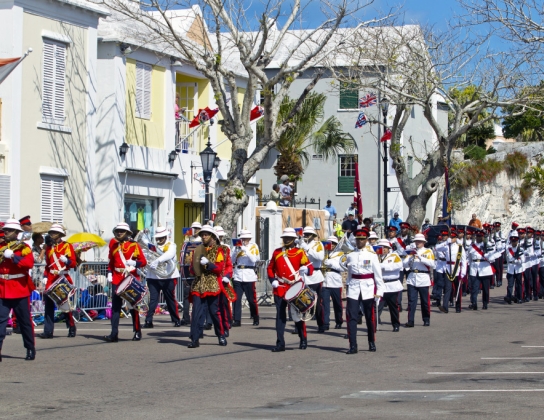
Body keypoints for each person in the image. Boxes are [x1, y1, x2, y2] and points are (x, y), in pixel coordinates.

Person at [267, 227, 314, 352]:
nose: (286, 239)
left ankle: (303, 338)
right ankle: (280, 343)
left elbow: (310, 268)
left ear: (294, 239)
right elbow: (270, 268)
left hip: (295, 287)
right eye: (285, 238)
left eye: (289, 238)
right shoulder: (277, 252)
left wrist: (306, 270)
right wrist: (273, 281)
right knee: (280, 315)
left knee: (296, 315)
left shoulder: (300, 252)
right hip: (280, 287)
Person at [341, 228, 384, 354]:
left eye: (362, 239)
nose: (360, 242)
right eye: (358, 239)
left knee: (370, 318)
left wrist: (379, 292)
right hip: (353, 289)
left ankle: (371, 341)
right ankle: (353, 345)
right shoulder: (350, 256)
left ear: (366, 240)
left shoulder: (371, 256)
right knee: (351, 317)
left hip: (368, 289)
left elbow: (378, 276)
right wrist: (348, 287)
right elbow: (349, 274)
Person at [104, 223, 147, 342]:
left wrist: (135, 264)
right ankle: (114, 334)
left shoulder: (134, 245)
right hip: (117, 277)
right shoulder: (113, 244)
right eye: (117, 231)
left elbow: (143, 262)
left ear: (127, 233)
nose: (119, 233)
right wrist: (109, 272)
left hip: (130, 277)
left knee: (133, 306)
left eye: (122, 231)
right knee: (115, 307)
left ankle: (137, 331)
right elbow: (111, 261)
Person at [0, 219, 36, 361]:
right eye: (5, 230)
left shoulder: (23, 247)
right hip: (2, 288)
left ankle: (30, 348)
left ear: (16, 233)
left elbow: (29, 263)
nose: (6, 232)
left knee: (24, 321)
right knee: (0, 321)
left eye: (9, 230)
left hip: (19, 289)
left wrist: (14, 256)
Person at [188, 226, 228, 348]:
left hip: (212, 284)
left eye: (206, 234)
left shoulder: (219, 250)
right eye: (203, 235)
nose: (204, 237)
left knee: (214, 312)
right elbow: (192, 268)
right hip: (198, 285)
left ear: (212, 236)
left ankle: (220, 334)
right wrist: (194, 269)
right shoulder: (198, 249)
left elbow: (219, 269)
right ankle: (194, 339)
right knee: (195, 312)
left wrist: (209, 264)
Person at [39, 224, 78, 339]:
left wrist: (66, 260)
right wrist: (45, 276)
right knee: (49, 305)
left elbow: (73, 263)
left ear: (60, 235)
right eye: (51, 233)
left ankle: (71, 325)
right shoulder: (49, 247)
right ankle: (48, 331)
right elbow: (47, 265)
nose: (51, 235)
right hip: (51, 278)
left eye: (54, 233)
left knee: (65, 304)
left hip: (62, 278)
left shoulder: (67, 246)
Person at [143, 227, 182, 329]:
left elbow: (170, 254)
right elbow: (146, 256)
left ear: (165, 237)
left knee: (170, 299)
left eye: (161, 238)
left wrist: (157, 261)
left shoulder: (171, 245)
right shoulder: (152, 246)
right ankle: (148, 320)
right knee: (153, 299)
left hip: (169, 276)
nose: (159, 240)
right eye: (157, 238)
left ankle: (176, 319)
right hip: (153, 276)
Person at [404, 233, 436, 327]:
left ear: (423, 242)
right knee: (411, 301)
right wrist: (410, 258)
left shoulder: (428, 251)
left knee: (425, 301)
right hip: (412, 277)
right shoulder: (411, 252)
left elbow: (432, 264)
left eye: (419, 241)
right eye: (416, 241)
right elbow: (404, 265)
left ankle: (426, 319)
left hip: (423, 277)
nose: (417, 243)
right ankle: (410, 320)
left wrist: (420, 257)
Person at [231, 229, 260, 327]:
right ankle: (237, 319)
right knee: (236, 299)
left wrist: (245, 249)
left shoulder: (253, 246)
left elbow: (255, 259)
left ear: (249, 238)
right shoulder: (236, 247)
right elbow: (232, 260)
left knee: (251, 299)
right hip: (238, 275)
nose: (243, 240)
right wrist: (236, 251)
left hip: (249, 275)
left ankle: (255, 316)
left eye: (245, 238)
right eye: (242, 238)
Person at [299, 226, 326, 332]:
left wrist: (307, 248)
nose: (306, 236)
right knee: (301, 302)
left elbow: (320, 257)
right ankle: (300, 326)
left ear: (313, 236)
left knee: (318, 303)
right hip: (303, 275)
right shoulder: (301, 244)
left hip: (315, 275)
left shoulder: (317, 244)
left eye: (308, 234)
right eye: (305, 234)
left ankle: (321, 324)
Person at [435, 228, 466, 314]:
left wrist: (463, 273)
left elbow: (463, 261)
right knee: (447, 288)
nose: (452, 239)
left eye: (453, 237)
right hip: (448, 269)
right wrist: (446, 242)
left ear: (456, 238)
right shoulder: (446, 247)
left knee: (457, 289)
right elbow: (436, 248)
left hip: (457, 269)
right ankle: (445, 307)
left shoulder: (460, 248)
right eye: (450, 237)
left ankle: (458, 306)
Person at [376, 238, 403, 332]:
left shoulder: (394, 255)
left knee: (393, 307)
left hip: (392, 285)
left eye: (385, 247)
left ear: (388, 248)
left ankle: (395, 324)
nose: (382, 249)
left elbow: (399, 265)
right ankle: (374, 324)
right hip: (380, 285)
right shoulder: (375, 256)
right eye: (380, 247)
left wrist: (382, 266)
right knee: (377, 306)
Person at [466, 229, 496, 310]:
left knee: (486, 288)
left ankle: (485, 303)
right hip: (474, 269)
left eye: (480, 236)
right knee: (474, 288)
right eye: (477, 236)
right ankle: (474, 303)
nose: (478, 238)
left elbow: (492, 257)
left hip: (485, 268)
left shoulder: (488, 245)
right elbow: (469, 258)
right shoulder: (472, 246)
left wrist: (486, 253)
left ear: (483, 237)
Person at [214, 226, 235, 336]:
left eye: (221, 236)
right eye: (218, 236)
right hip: (209, 280)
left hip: (222, 280)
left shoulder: (225, 248)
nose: (220, 238)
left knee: (224, 304)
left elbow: (228, 264)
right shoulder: (206, 248)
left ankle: (225, 326)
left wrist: (227, 276)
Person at [322, 236, 345, 330]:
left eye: (333, 243)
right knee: (324, 304)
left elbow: (343, 268)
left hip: (335, 281)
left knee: (337, 304)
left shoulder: (341, 254)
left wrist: (332, 264)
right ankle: (325, 323)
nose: (331, 245)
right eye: (329, 243)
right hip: (325, 280)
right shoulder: (323, 253)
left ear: (336, 245)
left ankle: (339, 321)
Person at [505, 231, 524, 304]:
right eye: (512, 241)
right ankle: (509, 297)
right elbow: (509, 258)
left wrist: (519, 260)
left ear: (517, 241)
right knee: (510, 285)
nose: (513, 243)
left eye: (515, 241)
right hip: (510, 269)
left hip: (518, 269)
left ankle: (519, 298)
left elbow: (523, 259)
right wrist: (515, 259)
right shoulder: (508, 249)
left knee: (519, 284)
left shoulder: (520, 249)